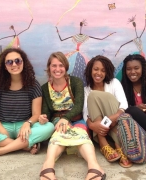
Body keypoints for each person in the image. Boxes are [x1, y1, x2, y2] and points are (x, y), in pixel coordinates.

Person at [0, 48, 54, 159]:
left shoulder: (33, 84)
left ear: (23, 62)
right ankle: (24, 146)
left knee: (49, 127)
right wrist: (2, 130)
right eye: (9, 62)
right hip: (2, 126)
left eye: (18, 61)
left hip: (24, 127)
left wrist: (28, 123)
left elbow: (36, 113)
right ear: (5, 66)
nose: (14, 64)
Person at [39, 52, 106, 180]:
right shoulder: (45, 88)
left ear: (66, 67)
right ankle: (47, 167)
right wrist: (43, 117)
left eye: (61, 65)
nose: (57, 69)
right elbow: (47, 111)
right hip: (58, 120)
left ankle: (94, 167)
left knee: (81, 134)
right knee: (59, 134)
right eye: (54, 66)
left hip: (77, 118)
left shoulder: (75, 82)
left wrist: (66, 118)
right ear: (49, 68)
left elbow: (79, 105)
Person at [83, 55, 146, 169]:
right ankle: (103, 143)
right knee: (92, 96)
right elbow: (85, 111)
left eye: (103, 70)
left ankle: (118, 144)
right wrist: (92, 125)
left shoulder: (114, 82)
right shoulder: (86, 89)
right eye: (96, 69)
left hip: (115, 121)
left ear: (107, 72)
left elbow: (123, 105)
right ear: (90, 69)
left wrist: (112, 117)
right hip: (101, 127)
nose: (99, 73)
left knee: (103, 98)